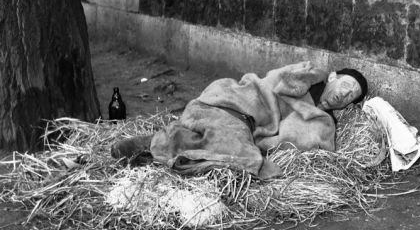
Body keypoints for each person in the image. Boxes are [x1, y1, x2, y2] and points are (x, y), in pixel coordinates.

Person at [111, 62, 368, 180]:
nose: (344, 93)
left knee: (226, 144)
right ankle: (167, 153)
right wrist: (311, 73)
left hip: (242, 128)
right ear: (333, 76)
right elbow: (274, 81)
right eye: (346, 84)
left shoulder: (325, 122)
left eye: (352, 95)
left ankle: (153, 146)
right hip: (234, 101)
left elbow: (311, 145)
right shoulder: (310, 76)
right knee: (255, 165)